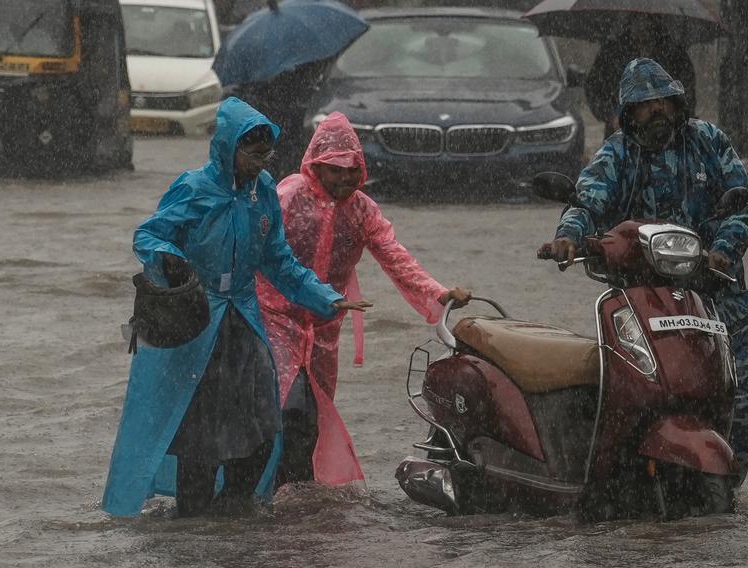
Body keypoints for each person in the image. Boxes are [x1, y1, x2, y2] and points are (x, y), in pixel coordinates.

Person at [101, 97, 370, 518]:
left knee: (263, 423)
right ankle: (194, 521)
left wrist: (327, 297)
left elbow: (278, 261)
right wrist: (170, 255)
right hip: (196, 323)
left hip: (244, 320)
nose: (261, 163)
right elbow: (148, 236)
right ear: (228, 147)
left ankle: (234, 509)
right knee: (197, 431)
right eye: (253, 154)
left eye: (266, 154)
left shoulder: (263, 192)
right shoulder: (192, 189)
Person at [550, 59, 748, 487]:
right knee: (634, 395)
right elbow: (586, 200)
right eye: (645, 106)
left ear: (676, 102)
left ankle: (728, 489)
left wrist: (722, 250)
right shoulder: (617, 152)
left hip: (716, 295)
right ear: (629, 113)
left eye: (662, 102)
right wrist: (570, 235)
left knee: (744, 402)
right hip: (645, 302)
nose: (656, 112)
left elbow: (746, 200)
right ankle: (616, 487)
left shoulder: (707, 140)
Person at [255, 111, 471, 488]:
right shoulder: (289, 197)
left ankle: (298, 494)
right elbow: (258, 248)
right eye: (333, 169)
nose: (343, 178)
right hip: (276, 317)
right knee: (285, 407)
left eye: (351, 169)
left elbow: (395, 257)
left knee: (316, 415)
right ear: (315, 166)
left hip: (325, 327)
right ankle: (267, 487)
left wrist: (438, 293)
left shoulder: (361, 211)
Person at [585, 15, 696, 139]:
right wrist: (611, 115)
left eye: (648, 19)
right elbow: (594, 89)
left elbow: (687, 95)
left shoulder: (675, 54)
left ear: (656, 20)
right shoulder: (612, 52)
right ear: (630, 21)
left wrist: (674, 117)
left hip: (667, 137)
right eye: (638, 19)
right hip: (622, 135)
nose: (643, 24)